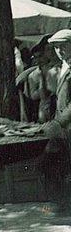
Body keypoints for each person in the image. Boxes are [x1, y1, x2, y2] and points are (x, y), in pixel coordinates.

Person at [41, 29, 71, 214]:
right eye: (57, 47)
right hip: (63, 128)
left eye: (63, 46)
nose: (60, 50)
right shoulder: (64, 67)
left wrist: (58, 122)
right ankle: (63, 204)